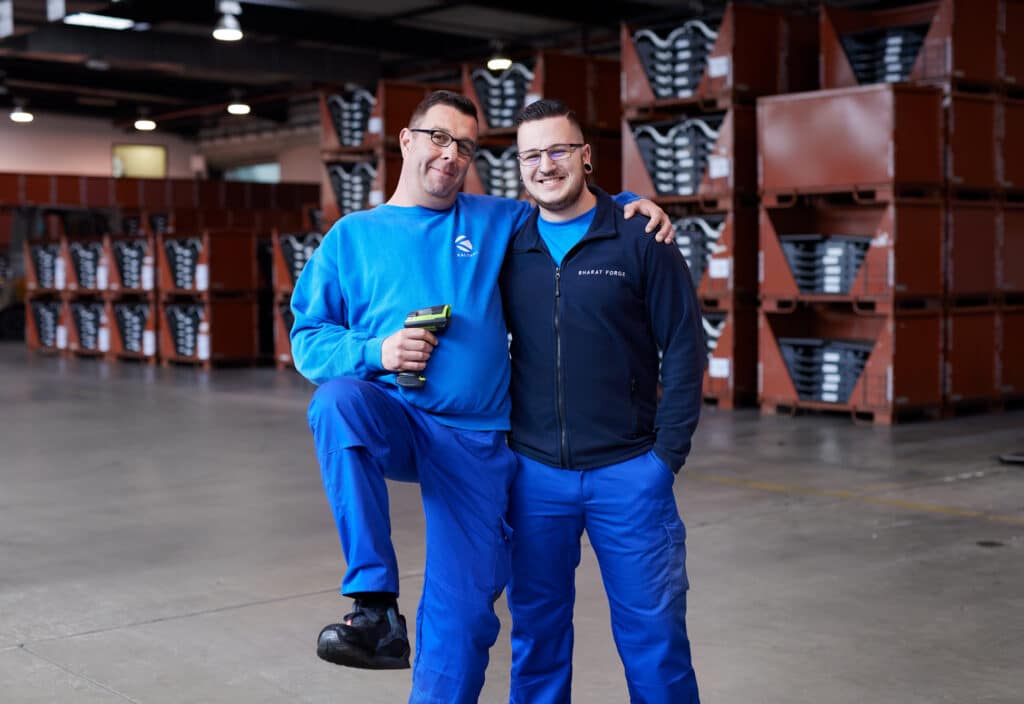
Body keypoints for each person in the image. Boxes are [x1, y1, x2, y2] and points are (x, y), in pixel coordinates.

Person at [289, 90, 674, 704]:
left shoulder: (497, 219)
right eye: (439, 137)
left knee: (464, 616)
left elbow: (568, 202)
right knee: (336, 403)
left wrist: (631, 204)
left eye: (465, 146)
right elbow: (308, 337)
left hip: (476, 440)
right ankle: (374, 606)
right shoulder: (351, 237)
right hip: (396, 417)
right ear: (407, 141)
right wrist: (376, 352)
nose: (452, 154)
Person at [500, 99, 705, 703]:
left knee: (656, 642)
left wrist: (664, 457)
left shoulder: (641, 236)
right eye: (531, 155)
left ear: (586, 156)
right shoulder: (508, 244)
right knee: (536, 641)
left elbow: (686, 347)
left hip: (630, 473)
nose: (545, 165)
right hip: (534, 475)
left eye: (558, 150)